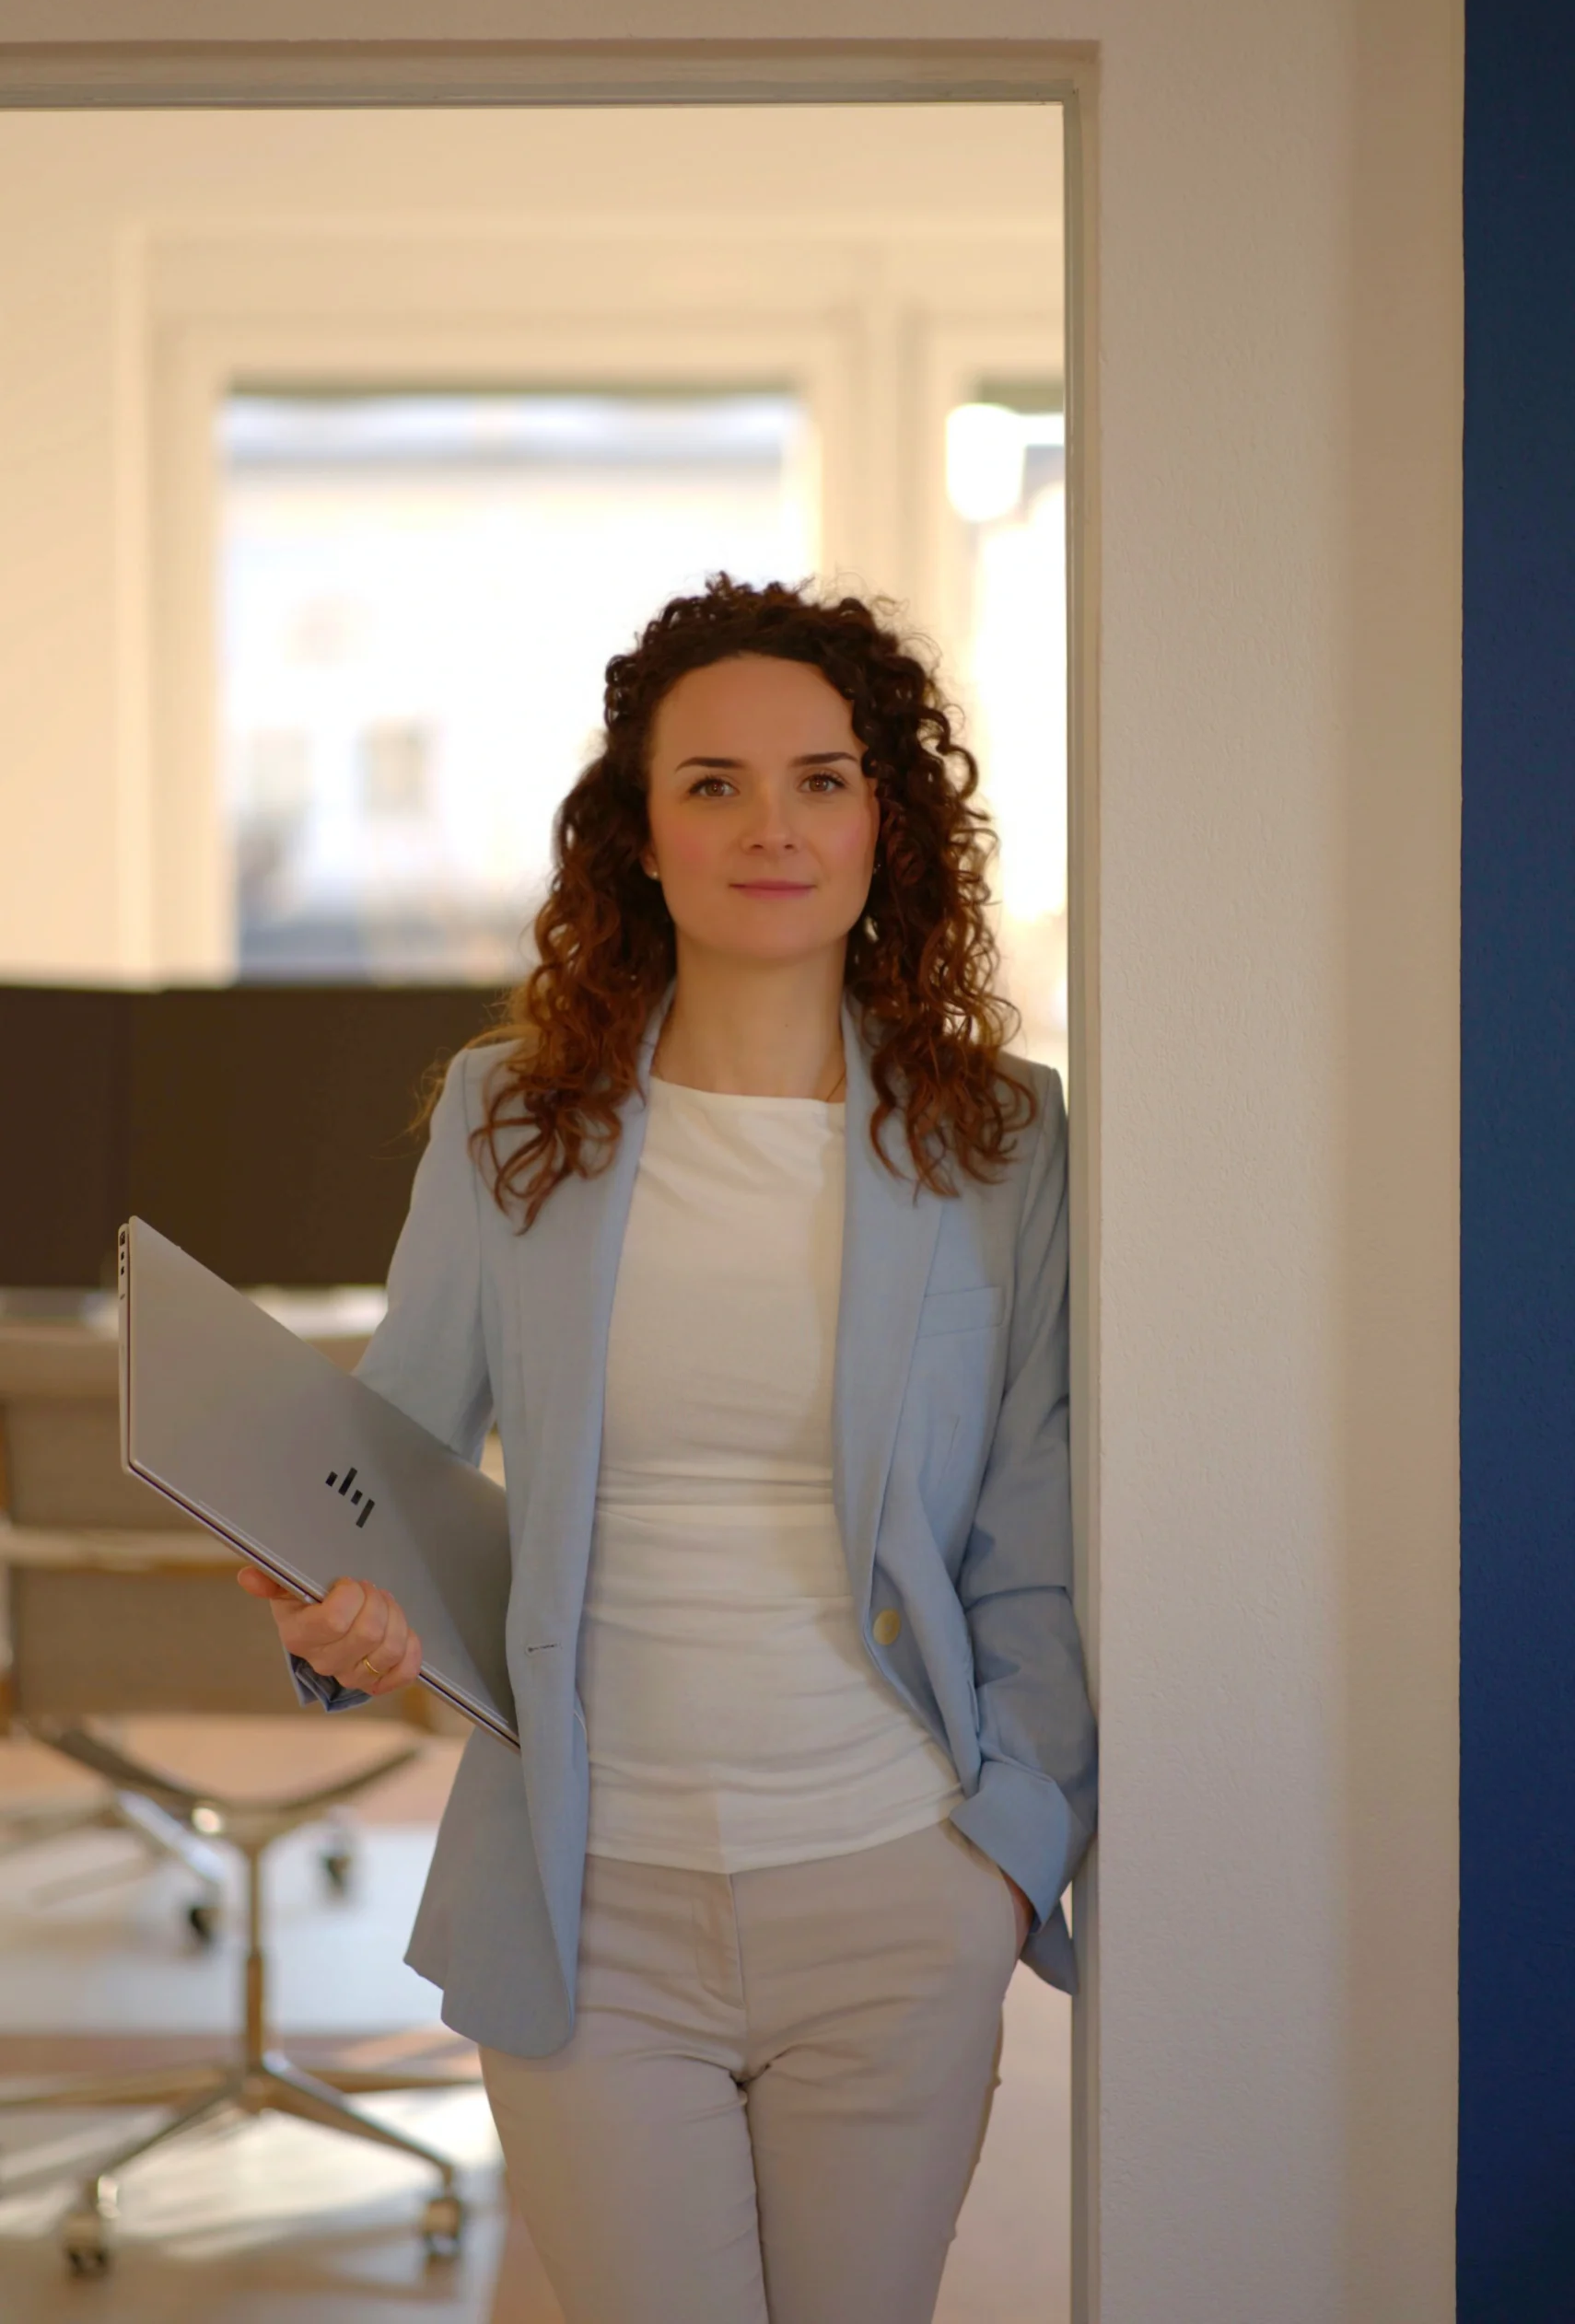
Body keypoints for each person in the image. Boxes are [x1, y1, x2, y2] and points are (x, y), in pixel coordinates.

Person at [238, 573, 1098, 2324]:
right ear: (638, 833)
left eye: (821, 780)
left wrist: (1009, 1855)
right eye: (713, 784)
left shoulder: (1004, 1138)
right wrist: (329, 1611)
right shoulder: (508, 1115)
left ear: (885, 823)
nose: (770, 827)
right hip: (587, 1894)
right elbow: (387, 1461)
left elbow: (1034, 1527)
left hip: (897, 1885)